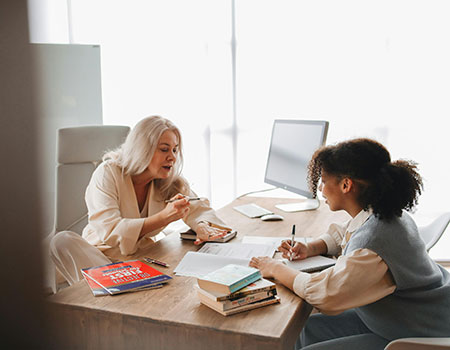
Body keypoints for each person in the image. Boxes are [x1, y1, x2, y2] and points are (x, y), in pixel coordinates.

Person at [249, 138, 450, 350]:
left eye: (324, 181)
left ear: (346, 185)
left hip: (419, 331)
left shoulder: (373, 247)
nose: (320, 188)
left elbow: (326, 295)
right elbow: (349, 232)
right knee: (304, 328)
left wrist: (275, 268)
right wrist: (311, 248)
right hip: (409, 313)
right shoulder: (385, 214)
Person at [51, 116, 231, 285]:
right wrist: (163, 218)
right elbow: (110, 231)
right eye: (164, 149)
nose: (172, 157)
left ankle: (122, 290)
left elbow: (198, 208)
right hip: (99, 256)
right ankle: (113, 289)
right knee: (62, 240)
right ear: (142, 148)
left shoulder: (170, 182)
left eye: (175, 150)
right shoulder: (108, 173)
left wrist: (202, 226)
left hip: (141, 258)